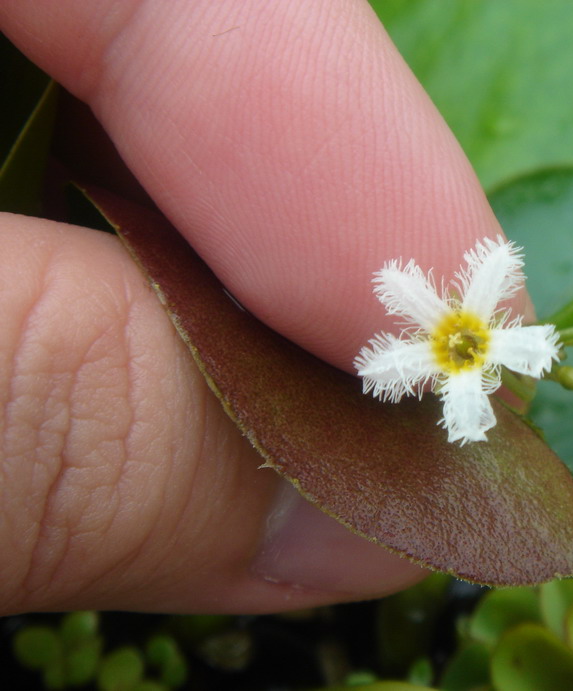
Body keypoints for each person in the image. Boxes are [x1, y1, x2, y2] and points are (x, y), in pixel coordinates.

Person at [0, 0, 529, 615]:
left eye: (466, 346)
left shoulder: (464, 333)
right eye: (463, 343)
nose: (464, 345)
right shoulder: (434, 318)